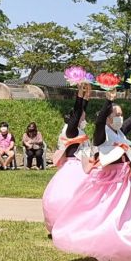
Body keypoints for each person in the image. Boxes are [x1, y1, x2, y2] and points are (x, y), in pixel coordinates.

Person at [51, 88, 131, 261]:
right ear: (108, 118)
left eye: (120, 114)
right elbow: (100, 120)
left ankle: (119, 258)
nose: (120, 117)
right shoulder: (102, 134)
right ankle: (103, 258)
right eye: (116, 115)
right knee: (107, 217)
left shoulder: (121, 132)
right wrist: (108, 102)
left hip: (125, 182)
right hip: (108, 183)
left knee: (126, 217)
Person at [42, 82, 91, 234]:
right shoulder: (71, 130)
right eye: (82, 117)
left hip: (82, 165)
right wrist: (79, 95)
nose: (84, 118)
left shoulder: (77, 130)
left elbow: (81, 111)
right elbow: (78, 112)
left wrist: (87, 96)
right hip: (73, 166)